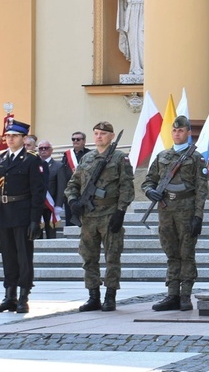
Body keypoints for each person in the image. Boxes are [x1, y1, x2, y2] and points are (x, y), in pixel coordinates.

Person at [64, 122, 134, 313]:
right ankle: (93, 296)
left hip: (110, 213)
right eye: (96, 133)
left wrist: (120, 212)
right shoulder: (86, 159)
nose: (99, 136)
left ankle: (110, 296)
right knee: (88, 257)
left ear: (111, 136)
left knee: (112, 256)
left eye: (103, 133)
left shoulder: (120, 158)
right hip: (88, 217)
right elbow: (72, 184)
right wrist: (73, 202)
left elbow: (127, 187)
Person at [143, 116, 208, 312]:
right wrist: (149, 191)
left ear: (189, 133)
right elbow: (148, 181)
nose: (177, 134)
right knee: (171, 253)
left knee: (186, 253)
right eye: (174, 131)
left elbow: (201, 188)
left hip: (187, 210)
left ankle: (185, 295)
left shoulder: (196, 158)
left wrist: (198, 216)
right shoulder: (162, 156)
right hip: (166, 210)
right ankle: (172, 294)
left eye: (181, 131)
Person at [0, 120, 45, 313]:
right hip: (3, 213)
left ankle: (23, 297)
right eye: (8, 136)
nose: (10, 139)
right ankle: (9, 296)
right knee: (8, 257)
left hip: (23, 213)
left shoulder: (32, 160)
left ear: (23, 138)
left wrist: (35, 220)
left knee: (24, 257)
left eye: (15, 136)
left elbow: (38, 193)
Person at [59, 131, 91, 226]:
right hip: (71, 191)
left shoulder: (90, 154)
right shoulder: (67, 155)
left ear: (84, 141)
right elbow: (63, 173)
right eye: (73, 139)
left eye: (78, 139)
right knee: (70, 220)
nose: (75, 141)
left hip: (85, 191)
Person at [38, 140, 63, 239]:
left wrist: (58, 205)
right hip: (37, 204)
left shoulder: (58, 166)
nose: (43, 150)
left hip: (50, 205)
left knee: (51, 233)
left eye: (46, 148)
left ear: (51, 150)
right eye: (41, 148)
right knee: (37, 232)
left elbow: (61, 187)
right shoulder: (34, 165)